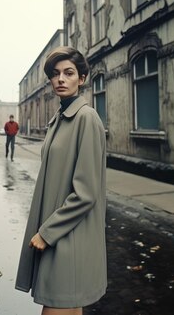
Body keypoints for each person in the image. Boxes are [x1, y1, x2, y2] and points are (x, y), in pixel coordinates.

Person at [15, 46, 107, 315]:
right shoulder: (59, 119)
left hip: (69, 237)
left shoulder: (86, 119)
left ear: (82, 78)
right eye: (55, 74)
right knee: (69, 307)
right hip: (61, 234)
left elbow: (86, 192)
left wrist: (47, 232)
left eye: (69, 73)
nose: (60, 79)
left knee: (56, 306)